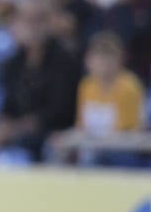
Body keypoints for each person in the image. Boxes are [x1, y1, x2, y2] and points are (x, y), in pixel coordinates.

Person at [0, 0, 81, 160]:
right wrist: (0, 128)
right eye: (27, 21)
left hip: (49, 133)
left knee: (28, 143)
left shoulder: (64, 61)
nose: (32, 28)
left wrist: (15, 129)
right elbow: (8, 105)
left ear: (49, 24)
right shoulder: (13, 62)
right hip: (16, 129)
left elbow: (58, 111)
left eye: (38, 21)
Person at [57, 30, 145, 164]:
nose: (104, 62)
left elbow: (128, 132)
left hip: (121, 151)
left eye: (109, 56)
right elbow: (81, 125)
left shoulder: (129, 87)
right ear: (88, 60)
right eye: (99, 57)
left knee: (95, 159)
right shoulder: (86, 86)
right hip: (92, 148)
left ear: (120, 59)